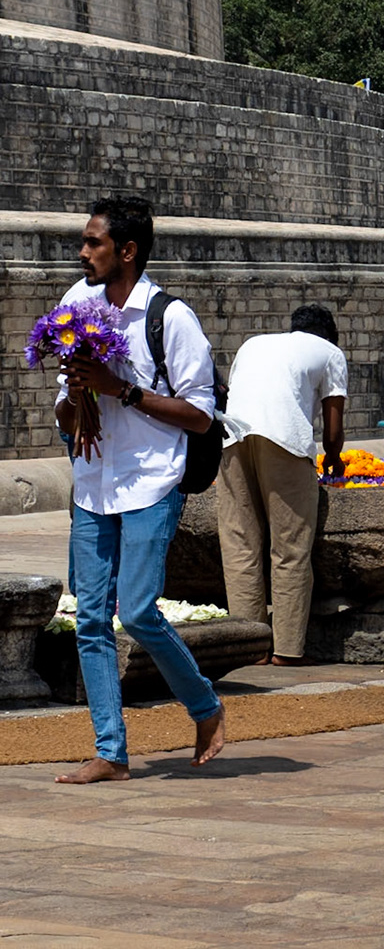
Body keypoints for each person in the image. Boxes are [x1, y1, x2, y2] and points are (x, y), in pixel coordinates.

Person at [52, 197, 225, 783]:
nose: (83, 252)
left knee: (142, 611)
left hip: (153, 479)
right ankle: (110, 752)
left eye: (94, 243)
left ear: (126, 251)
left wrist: (120, 391)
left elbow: (201, 415)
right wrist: (77, 397)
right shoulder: (79, 302)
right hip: (93, 480)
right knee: (91, 618)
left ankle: (204, 708)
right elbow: (62, 398)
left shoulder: (170, 318)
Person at [215, 304, 348, 667]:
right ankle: (287, 649)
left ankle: (249, 646)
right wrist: (333, 458)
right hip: (285, 442)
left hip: (232, 440)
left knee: (240, 545)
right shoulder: (331, 352)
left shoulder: (254, 344)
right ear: (328, 336)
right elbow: (333, 429)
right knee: (289, 547)